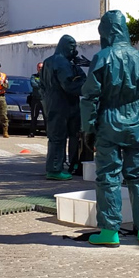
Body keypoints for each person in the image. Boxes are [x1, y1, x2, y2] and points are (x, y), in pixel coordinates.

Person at [81, 11, 139, 247]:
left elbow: (89, 96)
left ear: (105, 31)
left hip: (109, 120)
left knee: (108, 176)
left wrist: (88, 128)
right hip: (136, 121)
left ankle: (109, 231)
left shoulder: (102, 57)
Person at [41, 37, 86, 180]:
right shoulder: (62, 63)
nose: (74, 50)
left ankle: (65, 165)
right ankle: (55, 169)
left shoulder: (49, 62)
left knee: (61, 137)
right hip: (64, 104)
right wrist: (87, 86)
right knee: (60, 137)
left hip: (54, 103)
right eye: (72, 47)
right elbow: (69, 85)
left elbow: (42, 85)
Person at [28, 62, 44, 138]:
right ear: (37, 68)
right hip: (36, 100)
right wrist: (41, 84)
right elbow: (33, 84)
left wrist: (40, 84)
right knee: (34, 117)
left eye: (41, 67)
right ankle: (32, 132)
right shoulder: (34, 76)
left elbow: (48, 85)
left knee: (47, 117)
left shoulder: (47, 77)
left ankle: (48, 133)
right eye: (39, 67)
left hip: (44, 100)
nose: (40, 69)